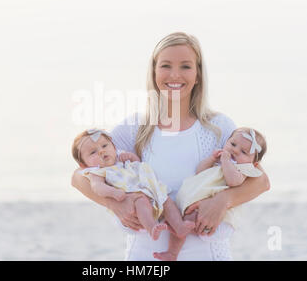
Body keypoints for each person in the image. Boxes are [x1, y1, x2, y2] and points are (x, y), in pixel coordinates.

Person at [71, 32, 270, 260]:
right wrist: (115, 203)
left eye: (185, 66)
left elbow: (261, 181)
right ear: (154, 72)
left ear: (198, 75)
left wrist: (222, 201)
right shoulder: (134, 128)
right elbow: (78, 177)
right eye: (166, 65)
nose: (175, 75)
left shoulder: (220, 127)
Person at [153, 127, 267, 261]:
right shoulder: (219, 160)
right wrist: (212, 159)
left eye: (243, 151)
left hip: (216, 214)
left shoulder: (242, 169)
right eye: (233, 144)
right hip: (196, 202)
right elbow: (200, 171)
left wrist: (226, 161)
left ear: (254, 163)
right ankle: (172, 245)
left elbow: (233, 181)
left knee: (187, 221)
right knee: (179, 217)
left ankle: (173, 252)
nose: (235, 150)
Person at [71, 128, 195, 241]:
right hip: (133, 197)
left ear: (113, 146)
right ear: (83, 164)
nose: (101, 151)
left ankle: (179, 226)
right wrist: (113, 193)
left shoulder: (121, 159)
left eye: (104, 145)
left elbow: (138, 167)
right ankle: (152, 228)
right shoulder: (97, 172)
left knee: (167, 200)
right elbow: (97, 187)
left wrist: (132, 157)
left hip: (151, 190)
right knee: (141, 202)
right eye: (93, 152)